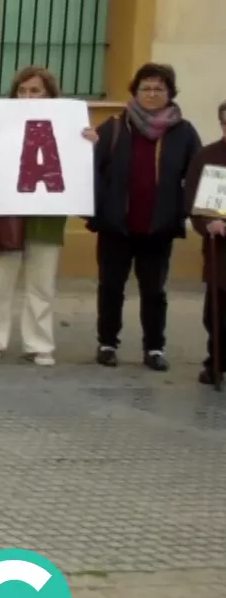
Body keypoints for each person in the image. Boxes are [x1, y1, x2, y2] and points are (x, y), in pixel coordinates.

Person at [0, 66, 98, 368]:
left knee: (41, 286)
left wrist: (88, 145)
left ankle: (38, 343)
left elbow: (80, 172)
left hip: (47, 218)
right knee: (0, 282)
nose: (27, 95)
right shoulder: (1, 124)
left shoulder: (68, 126)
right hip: (8, 215)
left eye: (35, 90)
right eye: (22, 90)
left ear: (50, 94)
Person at [89, 62, 201, 372]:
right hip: (116, 225)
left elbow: (197, 175)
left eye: (158, 88)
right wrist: (99, 209)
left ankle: (154, 347)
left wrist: (189, 211)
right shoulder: (113, 127)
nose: (152, 94)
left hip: (159, 226)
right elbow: (92, 170)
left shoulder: (184, 132)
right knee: (111, 286)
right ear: (135, 92)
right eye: (145, 88)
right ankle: (107, 342)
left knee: (154, 290)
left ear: (170, 93)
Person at [184, 100, 226, 385]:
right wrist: (207, 223)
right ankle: (216, 362)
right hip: (220, 251)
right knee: (217, 313)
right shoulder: (207, 156)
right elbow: (195, 203)